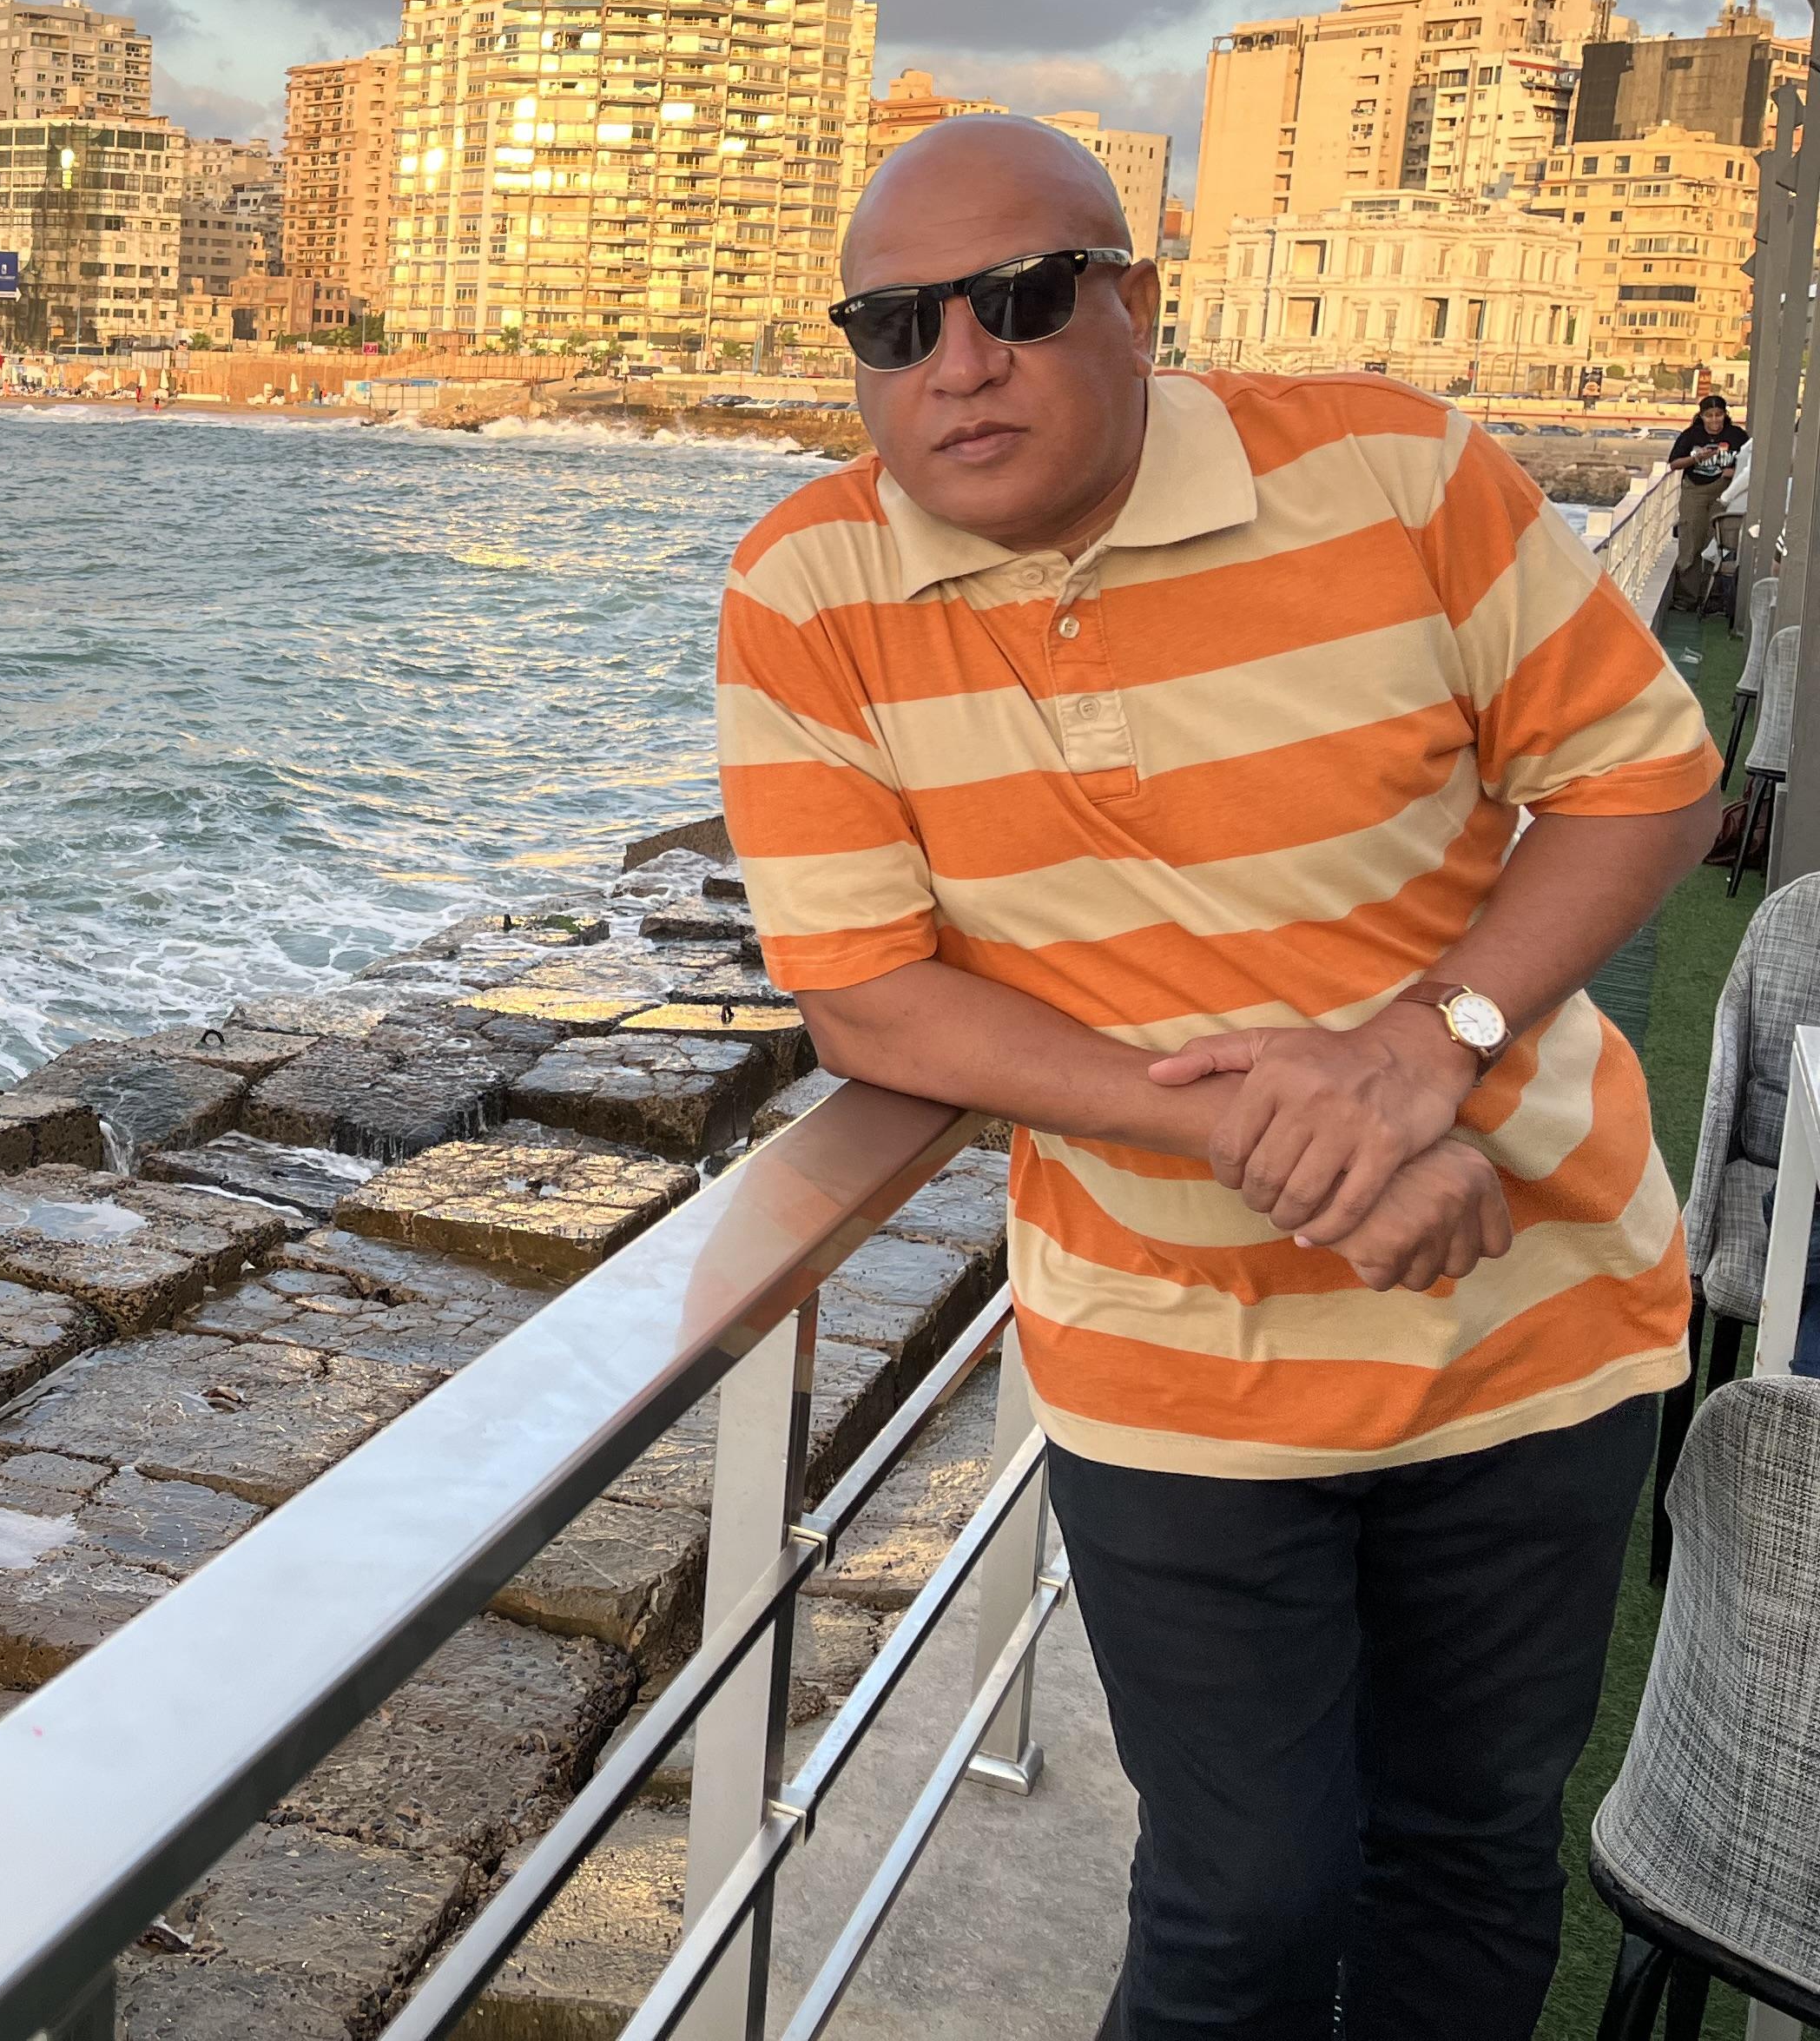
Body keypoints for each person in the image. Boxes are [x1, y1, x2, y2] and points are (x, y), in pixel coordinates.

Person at [715, 116, 1718, 2041]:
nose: (958, 363)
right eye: (895, 325)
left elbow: (1646, 777)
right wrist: (1321, 1133)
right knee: (1242, 1901)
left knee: (1465, 1857)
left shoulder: (1391, 468)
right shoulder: (808, 586)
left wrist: (1421, 1050)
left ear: (1137, 303)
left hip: (1538, 1312)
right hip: (1170, 1358)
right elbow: (870, 1004)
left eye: (1018, 299)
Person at [1666, 391, 1746, 613]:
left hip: (1724, 490)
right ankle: (1687, 597)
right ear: (1701, 416)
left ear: (1725, 415)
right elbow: (1674, 463)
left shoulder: (1737, 436)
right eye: (1709, 415)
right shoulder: (1691, 435)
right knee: (1691, 539)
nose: (1714, 420)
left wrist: (1734, 471)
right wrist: (1696, 458)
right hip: (1695, 490)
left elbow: (1750, 462)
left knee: (1716, 542)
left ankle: (1710, 596)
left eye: (1718, 415)